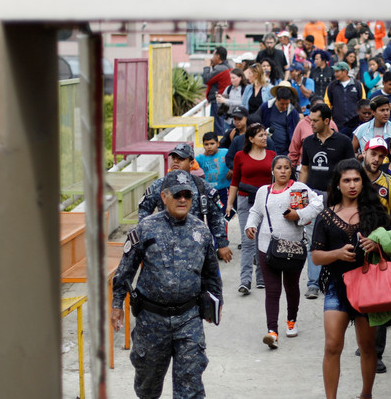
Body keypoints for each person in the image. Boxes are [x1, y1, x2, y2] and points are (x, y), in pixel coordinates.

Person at [111, 171, 223, 399]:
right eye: (177, 195)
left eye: (187, 195)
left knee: (190, 388)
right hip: (152, 321)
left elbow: (212, 274)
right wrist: (116, 304)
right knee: (147, 387)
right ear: (164, 196)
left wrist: (215, 306)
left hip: (188, 320)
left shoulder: (201, 231)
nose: (183, 200)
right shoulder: (145, 229)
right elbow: (125, 270)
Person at [311, 159, 391, 399]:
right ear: (337, 184)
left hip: (368, 287)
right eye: (346, 180)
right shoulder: (325, 216)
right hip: (337, 287)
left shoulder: (375, 214)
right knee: (332, 346)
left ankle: (366, 394)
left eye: (356, 179)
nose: (352, 185)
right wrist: (336, 254)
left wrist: (377, 245)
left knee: (368, 347)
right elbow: (315, 257)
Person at [245, 155, 323, 348]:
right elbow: (255, 211)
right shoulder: (264, 191)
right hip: (267, 247)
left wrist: (300, 214)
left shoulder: (298, 188)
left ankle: (291, 321)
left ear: (291, 171)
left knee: (291, 286)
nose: (282, 171)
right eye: (278, 167)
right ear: (272, 171)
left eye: (286, 168)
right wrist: (250, 225)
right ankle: (272, 332)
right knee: (272, 291)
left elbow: (318, 203)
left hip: (293, 247)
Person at [137, 144, 232, 263]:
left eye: (181, 159)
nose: (176, 161)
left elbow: (216, 215)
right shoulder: (159, 185)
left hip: (195, 246)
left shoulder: (202, 186)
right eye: (174, 158)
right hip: (164, 247)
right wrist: (147, 235)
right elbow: (144, 208)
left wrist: (222, 243)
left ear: (191, 163)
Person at [299, 103, 356, 298]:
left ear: (326, 121)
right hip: (313, 196)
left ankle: (337, 280)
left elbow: (351, 169)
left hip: (337, 197)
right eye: (310, 120)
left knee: (338, 237)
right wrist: (300, 194)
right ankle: (313, 283)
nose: (311, 123)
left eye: (315, 120)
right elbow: (305, 169)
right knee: (313, 240)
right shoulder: (308, 142)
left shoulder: (343, 141)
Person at [229, 124, 277, 294]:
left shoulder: (272, 155)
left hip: (266, 202)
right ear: (250, 139)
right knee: (248, 240)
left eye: (265, 134)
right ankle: (245, 281)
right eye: (260, 135)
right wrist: (229, 204)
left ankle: (262, 278)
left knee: (264, 239)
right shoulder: (240, 156)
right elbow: (235, 181)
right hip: (244, 201)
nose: (265, 138)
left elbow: (277, 181)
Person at [258, 82, 301, 156]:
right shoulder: (266, 107)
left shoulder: (293, 113)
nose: (284, 106)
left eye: (287, 104)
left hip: (285, 150)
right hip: (267, 148)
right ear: (276, 99)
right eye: (282, 104)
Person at [195, 132, 230, 214]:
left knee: (223, 215)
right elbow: (189, 163)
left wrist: (231, 170)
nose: (209, 147)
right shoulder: (201, 158)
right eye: (206, 144)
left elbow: (236, 162)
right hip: (209, 192)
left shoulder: (226, 152)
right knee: (211, 215)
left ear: (218, 144)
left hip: (224, 191)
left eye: (212, 143)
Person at [325, 60, 364, 128]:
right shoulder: (331, 86)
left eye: (337, 72)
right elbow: (327, 104)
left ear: (345, 72)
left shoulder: (358, 85)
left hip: (355, 124)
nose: (335, 74)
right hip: (337, 124)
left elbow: (363, 103)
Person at [202, 46, 232, 133]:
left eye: (213, 54)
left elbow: (206, 79)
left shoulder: (220, 68)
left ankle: (220, 144)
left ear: (218, 56)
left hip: (218, 102)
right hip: (225, 100)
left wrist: (207, 67)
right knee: (223, 125)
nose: (212, 57)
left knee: (218, 128)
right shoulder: (228, 66)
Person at [216, 69, 247, 134]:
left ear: (240, 78)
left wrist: (225, 101)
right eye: (231, 78)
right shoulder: (228, 88)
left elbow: (241, 103)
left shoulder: (245, 89)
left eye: (234, 78)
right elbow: (222, 102)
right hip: (228, 119)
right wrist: (219, 100)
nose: (232, 80)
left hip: (240, 120)